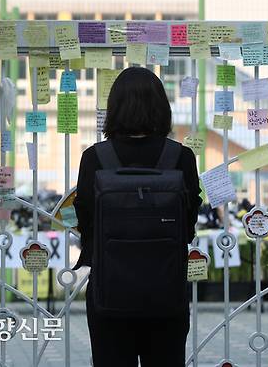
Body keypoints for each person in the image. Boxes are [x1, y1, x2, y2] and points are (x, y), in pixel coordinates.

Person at [73, 67, 202, 366]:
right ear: (162, 107)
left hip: (110, 293)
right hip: (167, 292)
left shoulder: (95, 158)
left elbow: (86, 222)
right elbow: (188, 227)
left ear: (114, 108)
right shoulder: (180, 157)